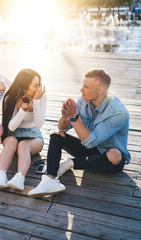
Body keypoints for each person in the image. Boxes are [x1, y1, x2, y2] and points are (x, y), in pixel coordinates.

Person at [28, 69, 130, 197]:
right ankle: (50, 179)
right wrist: (65, 117)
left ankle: (71, 163)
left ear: (100, 90)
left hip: (107, 157)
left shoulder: (118, 113)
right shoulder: (83, 100)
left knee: (115, 155)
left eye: (86, 87)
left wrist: (74, 117)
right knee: (56, 135)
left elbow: (91, 141)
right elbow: (63, 128)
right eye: (83, 85)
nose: (81, 90)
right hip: (88, 147)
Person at [0, 69, 47, 192]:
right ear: (24, 86)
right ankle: (1, 176)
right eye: (35, 85)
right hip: (13, 134)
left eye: (39, 84)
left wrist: (37, 102)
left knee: (23, 145)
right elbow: (11, 127)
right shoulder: (11, 97)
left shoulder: (41, 96)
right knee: (12, 142)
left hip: (34, 136)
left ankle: (19, 178)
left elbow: (39, 124)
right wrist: (22, 111)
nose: (38, 88)